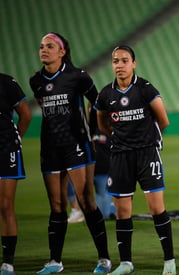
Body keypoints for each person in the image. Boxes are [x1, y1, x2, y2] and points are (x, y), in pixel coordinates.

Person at [29, 32, 111, 274]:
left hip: (77, 144)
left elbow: (97, 102)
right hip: (50, 148)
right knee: (57, 205)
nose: (44, 50)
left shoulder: (78, 77)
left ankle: (104, 259)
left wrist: (95, 132)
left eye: (50, 46)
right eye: (42, 46)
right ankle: (55, 261)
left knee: (87, 201)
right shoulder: (36, 81)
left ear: (62, 51)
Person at [95, 45, 176, 275]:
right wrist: (118, 138)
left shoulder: (145, 88)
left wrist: (148, 138)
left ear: (134, 63)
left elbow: (163, 120)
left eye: (124, 60)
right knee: (122, 212)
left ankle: (169, 261)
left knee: (156, 208)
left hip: (146, 153)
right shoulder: (105, 94)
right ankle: (126, 263)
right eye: (115, 61)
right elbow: (102, 123)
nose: (119, 65)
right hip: (120, 156)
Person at [0, 73, 32, 275]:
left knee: (5, 205)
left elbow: (26, 115)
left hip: (6, 149)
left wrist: (15, 139)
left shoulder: (6, 83)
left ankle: (8, 262)